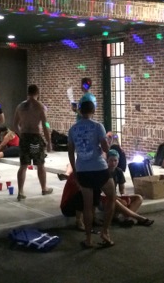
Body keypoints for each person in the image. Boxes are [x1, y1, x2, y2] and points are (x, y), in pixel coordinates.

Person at [67, 100, 116, 249]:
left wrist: (75, 171)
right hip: (99, 168)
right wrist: (110, 140)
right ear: (93, 110)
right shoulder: (98, 126)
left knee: (87, 206)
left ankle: (88, 239)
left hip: (83, 170)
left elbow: (70, 152)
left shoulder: (73, 129)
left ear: (80, 112)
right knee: (112, 197)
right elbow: (105, 148)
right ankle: (105, 231)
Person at [13, 84, 53, 199]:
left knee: (23, 165)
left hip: (24, 137)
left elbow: (15, 125)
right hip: (35, 138)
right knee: (40, 164)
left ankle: (20, 192)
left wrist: (21, 135)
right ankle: (44, 188)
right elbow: (45, 125)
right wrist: (49, 141)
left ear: (28, 92)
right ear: (38, 93)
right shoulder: (40, 106)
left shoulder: (20, 106)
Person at [106, 149, 154, 227]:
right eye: (111, 160)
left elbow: (122, 188)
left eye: (115, 160)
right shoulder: (104, 172)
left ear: (118, 161)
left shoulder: (118, 171)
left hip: (115, 197)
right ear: (107, 160)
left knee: (138, 197)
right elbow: (104, 193)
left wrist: (124, 196)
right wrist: (119, 199)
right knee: (117, 201)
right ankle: (140, 218)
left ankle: (125, 219)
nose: (113, 163)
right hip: (106, 198)